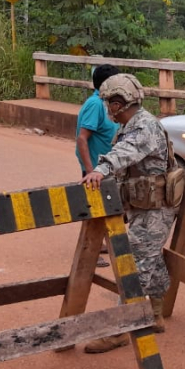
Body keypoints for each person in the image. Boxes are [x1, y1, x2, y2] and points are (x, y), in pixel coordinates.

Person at [81, 74, 179, 353]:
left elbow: (125, 153)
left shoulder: (143, 127)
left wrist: (100, 169)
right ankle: (156, 314)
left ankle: (121, 330)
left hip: (155, 209)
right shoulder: (132, 124)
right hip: (145, 205)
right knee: (151, 258)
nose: (107, 109)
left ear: (117, 103)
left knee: (134, 266)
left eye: (109, 104)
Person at [76, 64, 120, 267]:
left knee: (107, 208)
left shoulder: (107, 104)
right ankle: (90, 253)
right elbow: (82, 139)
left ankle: (102, 245)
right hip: (95, 167)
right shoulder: (95, 105)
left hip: (106, 166)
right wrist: (90, 170)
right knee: (94, 210)